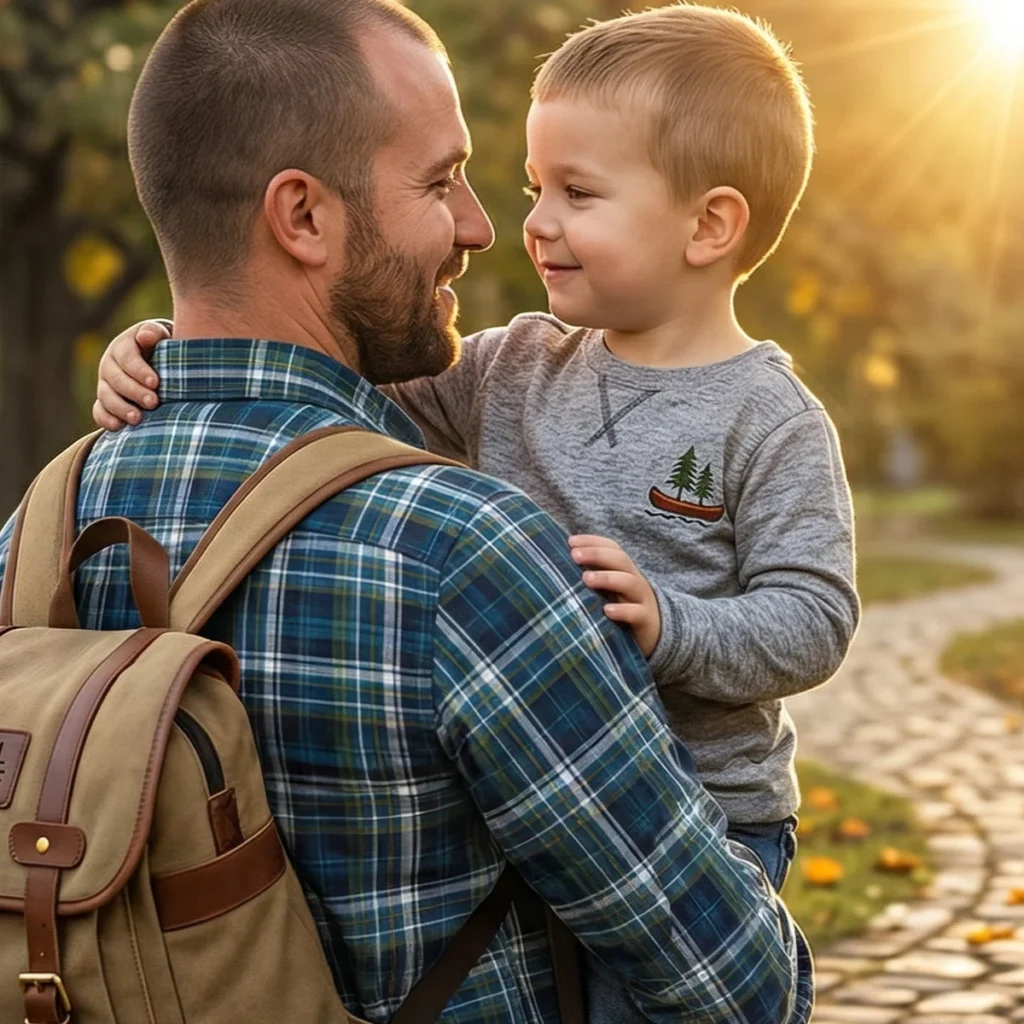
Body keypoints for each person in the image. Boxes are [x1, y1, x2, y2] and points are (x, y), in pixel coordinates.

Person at [3, 1, 812, 1022]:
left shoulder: (41, 528)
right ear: (302, 217)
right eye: (439, 182)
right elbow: (736, 986)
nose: (485, 226)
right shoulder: (458, 558)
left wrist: (166, 345)